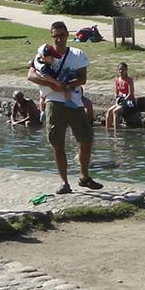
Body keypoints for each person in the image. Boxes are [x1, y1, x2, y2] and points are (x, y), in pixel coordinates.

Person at [27, 21, 102, 194]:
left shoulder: (77, 54)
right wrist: (52, 85)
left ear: (67, 34)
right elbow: (30, 75)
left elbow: (82, 79)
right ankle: (64, 182)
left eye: (61, 35)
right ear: (51, 36)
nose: (59, 39)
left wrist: (66, 86)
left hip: (74, 102)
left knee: (86, 139)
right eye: (55, 36)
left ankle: (84, 176)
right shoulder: (43, 53)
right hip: (53, 101)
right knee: (57, 142)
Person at [105, 62, 137, 129]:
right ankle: (108, 129)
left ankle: (116, 131)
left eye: (122, 70)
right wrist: (117, 100)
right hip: (120, 101)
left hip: (129, 102)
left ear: (126, 70)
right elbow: (116, 92)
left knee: (115, 111)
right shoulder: (117, 80)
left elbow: (131, 93)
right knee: (109, 111)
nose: (121, 71)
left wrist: (124, 101)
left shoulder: (129, 80)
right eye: (119, 70)